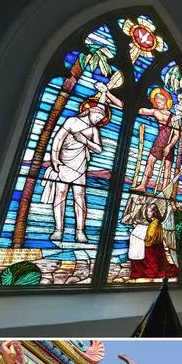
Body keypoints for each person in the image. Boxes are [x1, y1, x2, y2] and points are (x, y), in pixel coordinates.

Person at [41, 85, 120, 244]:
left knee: (79, 197)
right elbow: (58, 139)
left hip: (79, 167)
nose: (98, 119)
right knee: (60, 195)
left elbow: (98, 149)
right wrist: (54, 158)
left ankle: (80, 231)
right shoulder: (72, 121)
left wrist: (84, 141)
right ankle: (58, 229)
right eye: (97, 115)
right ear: (89, 110)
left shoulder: (93, 131)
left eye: (101, 118)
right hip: (63, 164)